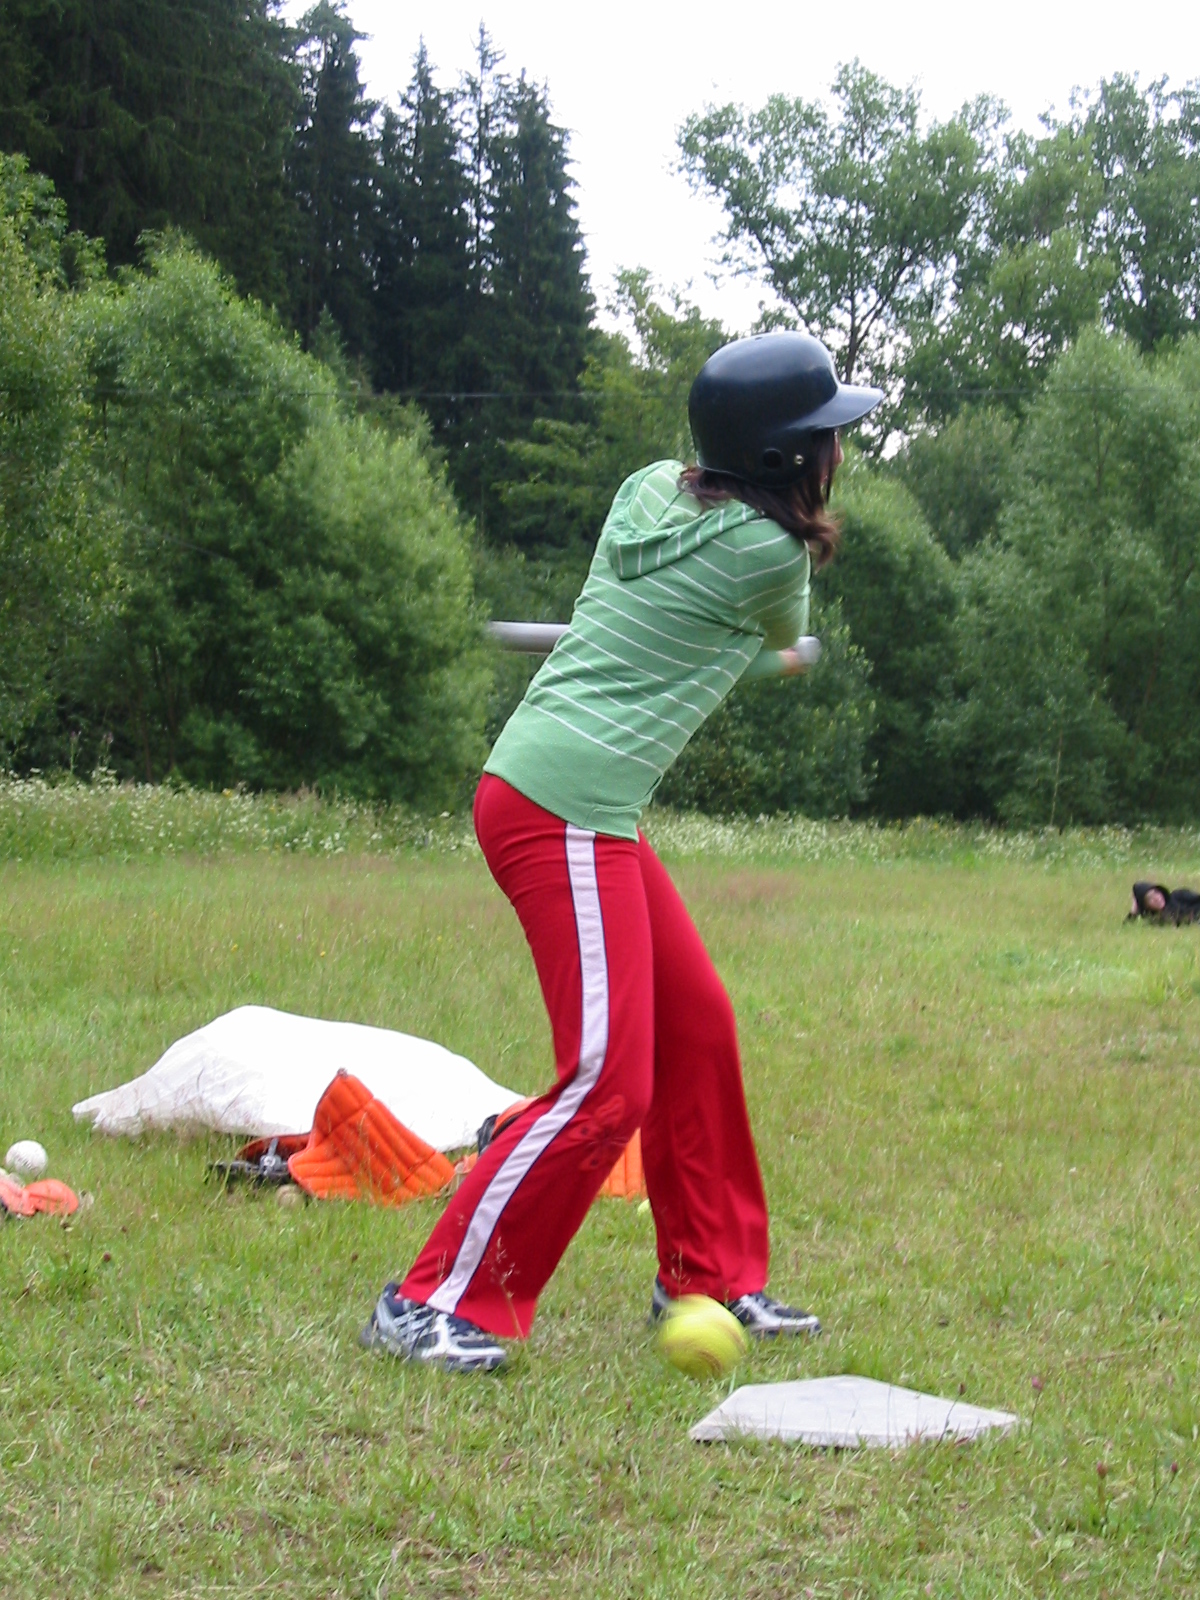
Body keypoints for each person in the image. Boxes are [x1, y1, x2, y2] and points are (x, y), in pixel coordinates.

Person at [362, 332, 883, 1371]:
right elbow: (773, 634)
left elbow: (702, 624)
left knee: (697, 1027)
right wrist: (779, 656)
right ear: (784, 457)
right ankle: (432, 1299)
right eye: (825, 436)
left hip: (568, 796)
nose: (837, 450)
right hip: (563, 805)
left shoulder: (645, 488)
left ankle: (710, 1273)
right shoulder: (772, 558)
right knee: (607, 1085)